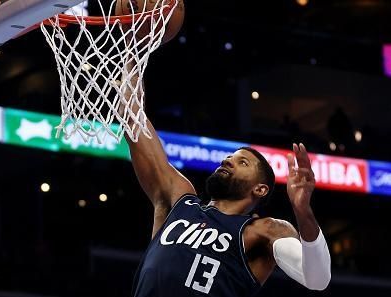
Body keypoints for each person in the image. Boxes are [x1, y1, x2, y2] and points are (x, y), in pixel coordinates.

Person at [120, 71, 331, 297]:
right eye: (229, 157)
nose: (228, 161)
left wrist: (302, 211)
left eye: (242, 162)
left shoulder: (263, 231)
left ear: (260, 189)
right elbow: (133, 119)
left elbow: (317, 279)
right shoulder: (179, 200)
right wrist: (133, 55)